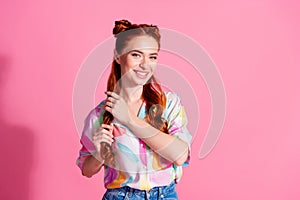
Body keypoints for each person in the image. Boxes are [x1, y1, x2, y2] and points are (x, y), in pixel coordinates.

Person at [76, 19, 192, 200]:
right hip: (121, 196)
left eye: (152, 56)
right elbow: (87, 170)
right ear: (118, 56)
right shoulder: (99, 115)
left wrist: (128, 118)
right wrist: (100, 154)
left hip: (165, 195)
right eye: (136, 55)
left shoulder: (169, 104)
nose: (145, 64)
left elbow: (179, 155)